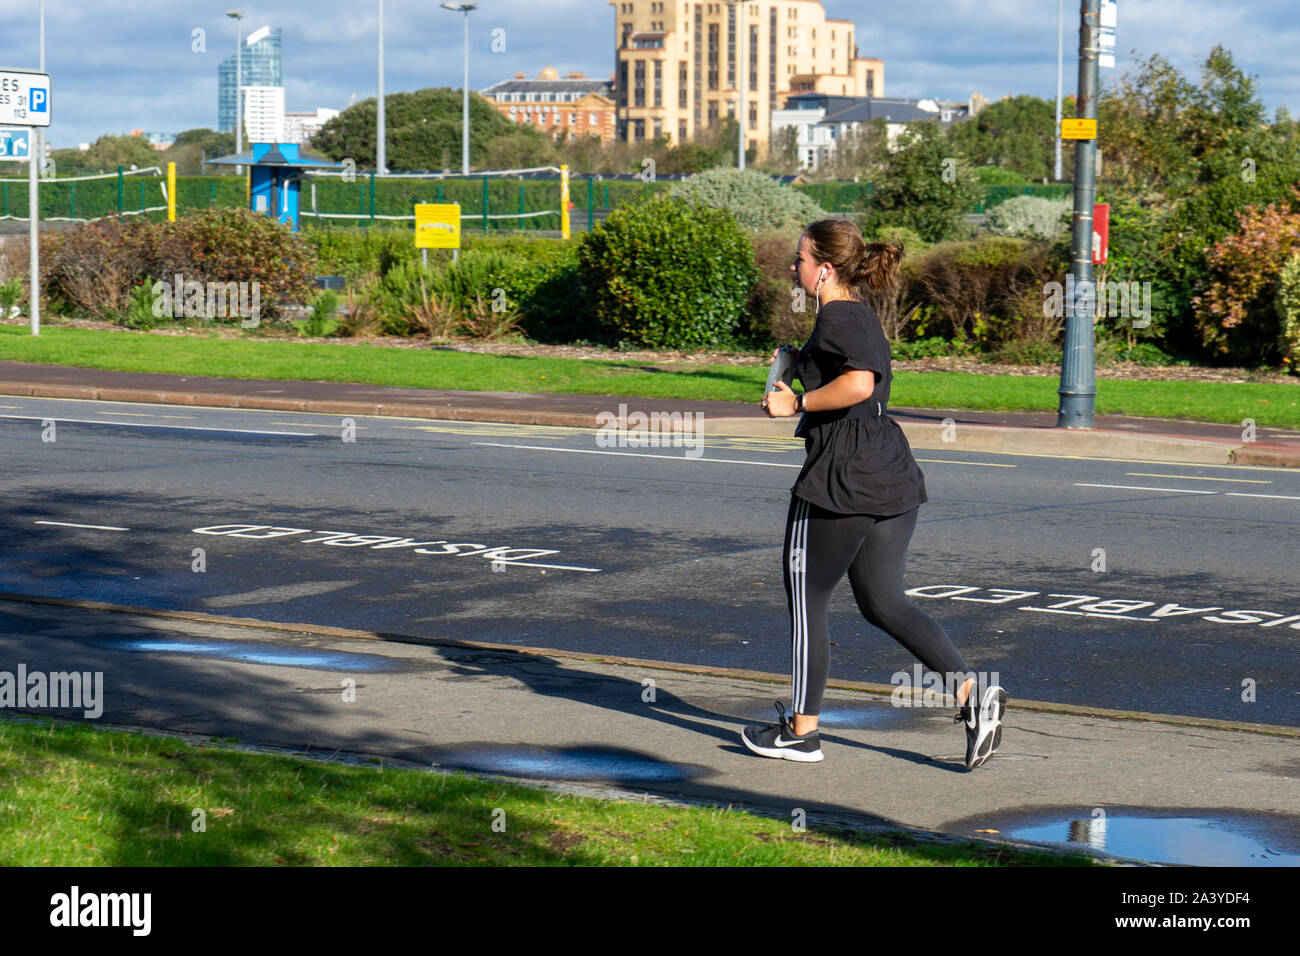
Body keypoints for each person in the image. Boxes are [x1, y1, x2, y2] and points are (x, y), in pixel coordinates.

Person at [740, 219, 1006, 770]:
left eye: (800, 259)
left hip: (842, 479)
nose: (794, 267)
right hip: (889, 472)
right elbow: (853, 379)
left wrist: (798, 404)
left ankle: (801, 733)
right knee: (883, 603)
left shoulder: (840, 315)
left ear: (825, 270)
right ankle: (972, 698)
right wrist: (797, 363)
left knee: (808, 601)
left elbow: (858, 383)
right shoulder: (854, 316)